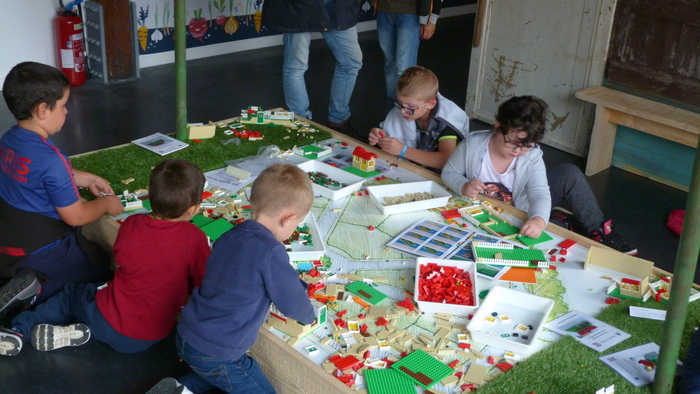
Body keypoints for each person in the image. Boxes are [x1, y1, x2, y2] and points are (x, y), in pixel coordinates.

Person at [0, 159, 211, 356]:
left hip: (106, 318)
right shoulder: (196, 239)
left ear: (151, 196)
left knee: (72, 295)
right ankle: (83, 334)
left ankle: (20, 329)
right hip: (149, 338)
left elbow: (120, 257)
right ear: (193, 208)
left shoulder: (132, 224)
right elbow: (201, 282)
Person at [175, 163, 317, 393]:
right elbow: (292, 302)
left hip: (187, 334)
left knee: (221, 373)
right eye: (297, 224)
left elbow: (238, 273)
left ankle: (182, 388)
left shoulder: (229, 234)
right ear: (288, 218)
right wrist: (308, 316)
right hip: (217, 352)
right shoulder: (271, 251)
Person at [0, 62, 124, 318]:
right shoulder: (51, 158)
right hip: (42, 249)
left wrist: (85, 178)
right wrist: (106, 204)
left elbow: (33, 174)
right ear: (43, 110)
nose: (67, 112)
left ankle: (19, 277)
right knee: (99, 267)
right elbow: (76, 216)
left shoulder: (9, 139)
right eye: (63, 105)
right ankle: (36, 290)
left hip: (10, 241)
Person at [442, 95, 637, 254]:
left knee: (568, 175)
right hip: (493, 215)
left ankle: (598, 230)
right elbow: (449, 172)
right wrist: (463, 185)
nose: (517, 151)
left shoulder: (532, 155)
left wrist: (538, 220)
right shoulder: (473, 145)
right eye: (512, 143)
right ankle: (559, 220)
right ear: (498, 126)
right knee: (544, 234)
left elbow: (539, 192)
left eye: (526, 146)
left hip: (522, 208)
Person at [262, 0, 363, 137]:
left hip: (338, 6)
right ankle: (301, 123)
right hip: (298, 9)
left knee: (351, 62)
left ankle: (338, 120)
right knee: (296, 66)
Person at [368, 66, 468, 170]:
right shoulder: (405, 109)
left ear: (430, 104)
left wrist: (403, 150)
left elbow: (446, 161)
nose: (402, 111)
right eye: (400, 103)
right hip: (410, 168)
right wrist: (378, 135)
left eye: (411, 106)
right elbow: (388, 131)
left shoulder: (446, 121)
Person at [376, 0, 441, 101]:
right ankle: (394, 110)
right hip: (383, 9)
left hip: (410, 12)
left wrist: (432, 19)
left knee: (404, 68)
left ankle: (407, 109)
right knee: (390, 67)